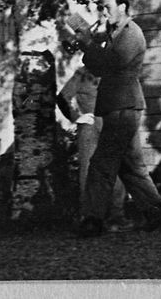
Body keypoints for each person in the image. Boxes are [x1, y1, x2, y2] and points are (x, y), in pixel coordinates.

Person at [64, 0, 161, 238]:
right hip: (118, 105)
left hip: (123, 106)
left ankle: (92, 219)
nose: (104, 12)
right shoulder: (116, 33)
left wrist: (89, 44)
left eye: (108, 7)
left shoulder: (131, 34)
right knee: (130, 166)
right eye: (102, 7)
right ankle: (156, 213)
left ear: (123, 6)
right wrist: (88, 45)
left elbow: (110, 65)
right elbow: (98, 64)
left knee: (102, 163)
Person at [58, 63, 127, 227]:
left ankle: (117, 215)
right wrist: (76, 117)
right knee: (89, 171)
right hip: (91, 127)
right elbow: (62, 97)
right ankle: (89, 217)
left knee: (117, 170)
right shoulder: (83, 74)